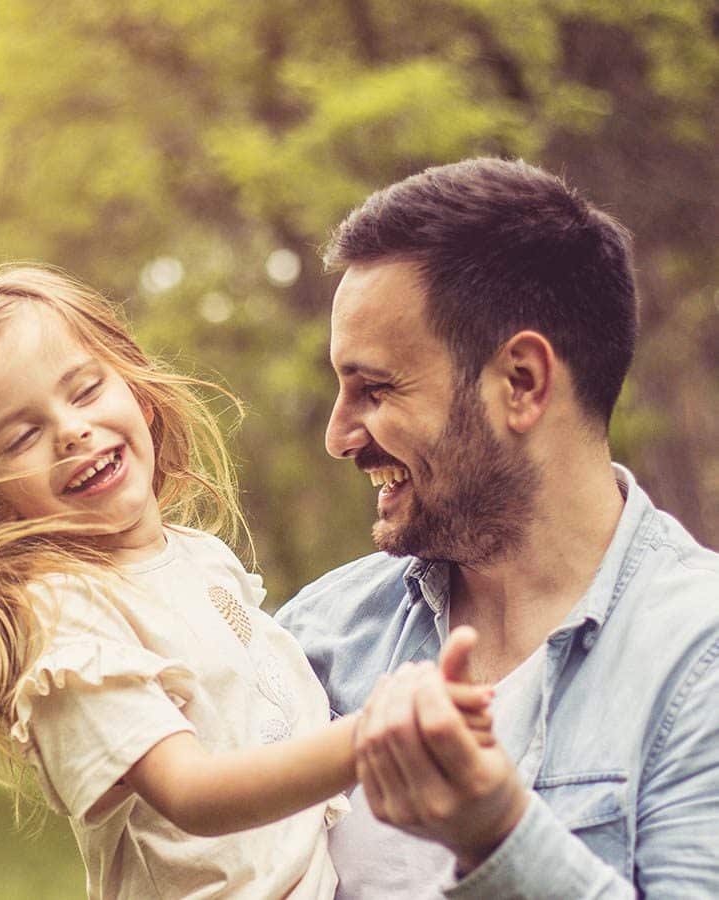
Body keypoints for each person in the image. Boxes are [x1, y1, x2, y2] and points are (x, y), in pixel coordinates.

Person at [0, 265, 493, 900]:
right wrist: (369, 739)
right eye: (22, 435)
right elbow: (191, 793)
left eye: (84, 390)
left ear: (137, 393)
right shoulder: (67, 623)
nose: (71, 430)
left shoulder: (197, 558)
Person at [277, 157, 719, 897]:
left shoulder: (699, 657)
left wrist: (496, 834)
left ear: (521, 383)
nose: (339, 436)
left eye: (375, 388)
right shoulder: (315, 639)